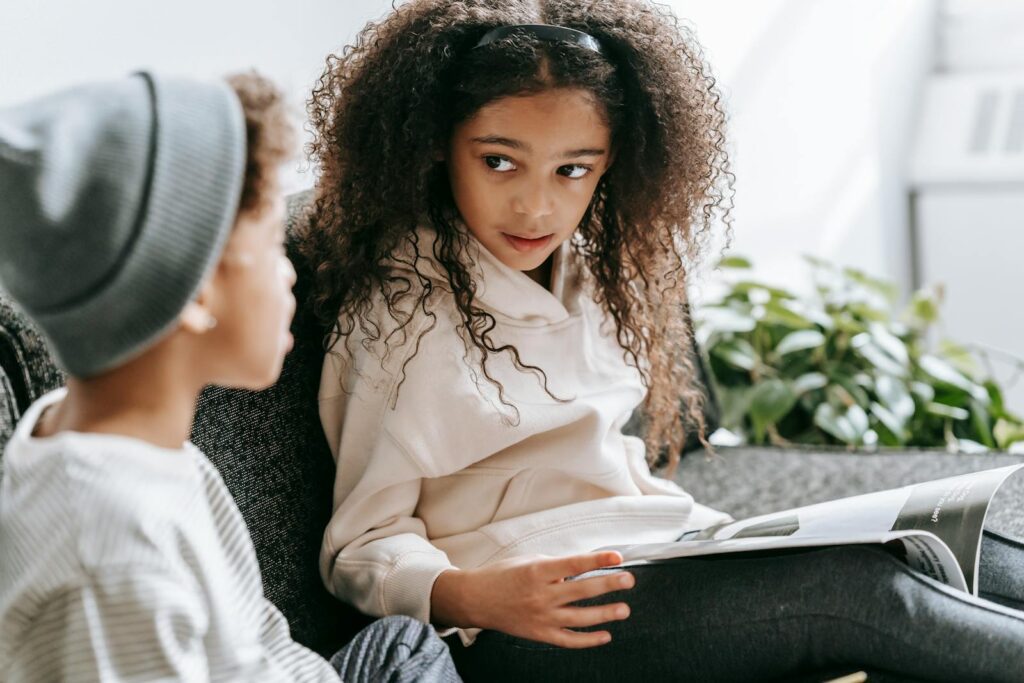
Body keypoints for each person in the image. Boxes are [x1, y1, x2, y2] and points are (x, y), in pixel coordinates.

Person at [303, 1, 1024, 680]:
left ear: (610, 163)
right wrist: (472, 596)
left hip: (653, 556)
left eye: (572, 169)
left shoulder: (589, 278)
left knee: (956, 546)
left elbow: (602, 467)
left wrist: (738, 539)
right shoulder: (399, 317)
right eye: (498, 161)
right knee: (860, 589)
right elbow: (361, 545)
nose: (536, 204)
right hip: (527, 627)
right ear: (437, 147)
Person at [0, 71, 459, 682]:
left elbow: (262, 638)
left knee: (403, 643)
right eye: (272, 244)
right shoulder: (109, 563)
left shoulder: (134, 443)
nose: (290, 274)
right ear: (189, 291)